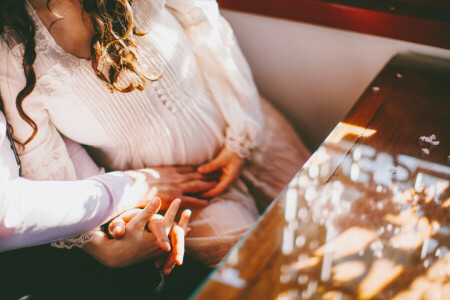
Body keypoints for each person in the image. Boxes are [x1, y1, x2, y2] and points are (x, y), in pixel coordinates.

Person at [0, 0, 311, 267]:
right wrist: (92, 235)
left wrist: (243, 136)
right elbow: (42, 153)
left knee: (324, 223)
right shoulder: (12, 49)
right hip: (178, 194)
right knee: (261, 271)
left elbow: (207, 25)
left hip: (248, 127)